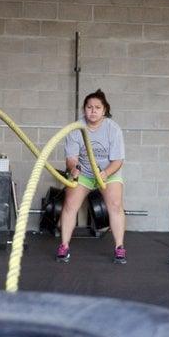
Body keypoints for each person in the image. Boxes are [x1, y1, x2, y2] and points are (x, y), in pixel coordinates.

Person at [56, 89, 126, 264]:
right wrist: (74, 169)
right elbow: (71, 158)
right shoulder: (75, 129)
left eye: (97, 107)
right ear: (84, 109)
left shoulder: (113, 129)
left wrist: (105, 174)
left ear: (104, 110)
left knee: (116, 205)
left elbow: (118, 161)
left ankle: (119, 247)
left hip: (108, 172)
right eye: (89, 107)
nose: (93, 111)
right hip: (85, 173)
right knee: (70, 205)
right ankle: (64, 246)